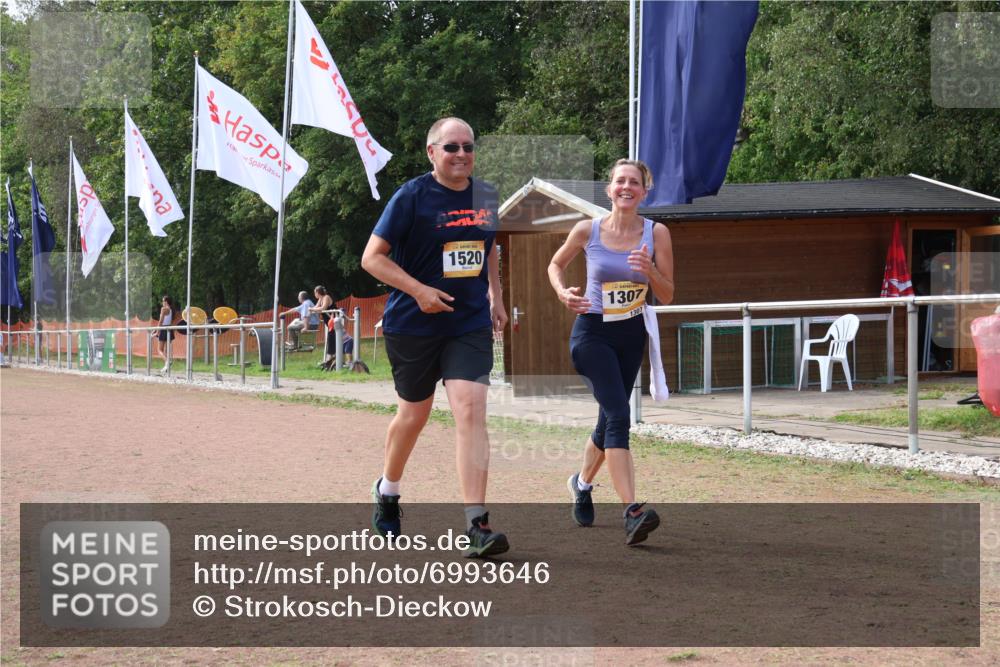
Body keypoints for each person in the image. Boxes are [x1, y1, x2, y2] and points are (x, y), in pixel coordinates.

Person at [360, 116, 509, 557]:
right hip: (414, 323)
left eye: (468, 146)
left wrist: (496, 296)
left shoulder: (486, 196)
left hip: (467, 324)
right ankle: (388, 490)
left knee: (470, 409)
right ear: (432, 153)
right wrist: (420, 291)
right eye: (451, 147)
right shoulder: (411, 197)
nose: (461, 154)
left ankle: (476, 523)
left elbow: (490, 247)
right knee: (414, 415)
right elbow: (372, 258)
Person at [547, 159, 675, 546]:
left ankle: (582, 484)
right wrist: (562, 291)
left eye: (634, 182)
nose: (626, 187)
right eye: (620, 181)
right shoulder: (588, 229)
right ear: (609, 189)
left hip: (631, 334)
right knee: (620, 415)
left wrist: (650, 270)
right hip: (592, 334)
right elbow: (555, 264)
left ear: (644, 191)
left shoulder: (658, 233)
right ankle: (633, 511)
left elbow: (667, 294)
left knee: (608, 419)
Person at [156, 295, 180, 373]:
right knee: (166, 350)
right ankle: (166, 366)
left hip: (163, 329)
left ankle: (167, 361)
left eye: (163, 301)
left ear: (166, 302)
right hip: (169, 329)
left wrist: (157, 331)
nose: (162, 303)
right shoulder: (172, 310)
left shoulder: (164, 309)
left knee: (159, 350)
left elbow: (161, 321)